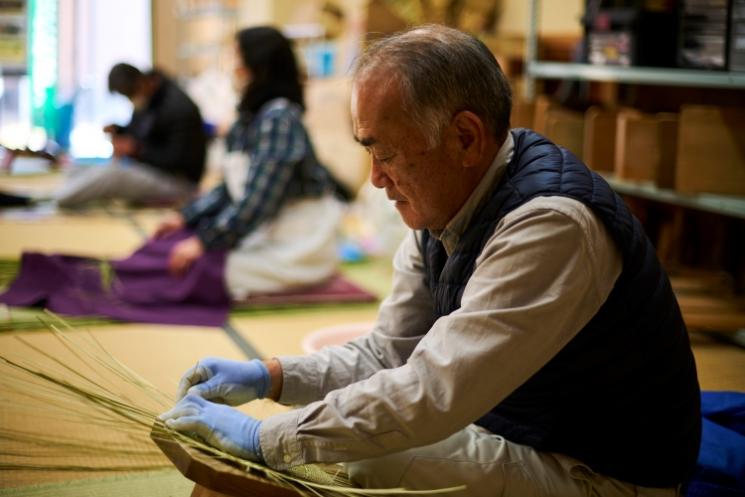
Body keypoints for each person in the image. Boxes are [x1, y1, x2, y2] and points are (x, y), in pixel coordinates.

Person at [160, 25, 701, 497]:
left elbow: (428, 394)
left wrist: (266, 438)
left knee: (367, 453)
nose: (375, 177)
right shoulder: (447, 205)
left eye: (386, 153)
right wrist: (270, 376)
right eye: (368, 150)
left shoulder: (550, 226)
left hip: (603, 475)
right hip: (522, 430)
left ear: (464, 137)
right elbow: (388, 354)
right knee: (356, 433)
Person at [151, 26, 344, 298]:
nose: (232, 68)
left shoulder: (279, 118)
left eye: (237, 59)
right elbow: (231, 187)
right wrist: (185, 217)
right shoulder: (250, 117)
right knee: (170, 247)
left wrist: (205, 242)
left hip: (297, 244)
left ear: (258, 67)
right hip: (267, 231)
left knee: (193, 267)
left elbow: (257, 201)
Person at [55, 63, 206, 207]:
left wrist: (137, 150)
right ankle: (56, 194)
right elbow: (142, 133)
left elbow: (177, 161)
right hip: (151, 169)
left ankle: (59, 200)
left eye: (128, 95)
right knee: (79, 167)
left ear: (141, 83)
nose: (129, 100)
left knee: (113, 175)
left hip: (179, 183)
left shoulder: (178, 107)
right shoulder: (149, 98)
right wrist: (119, 131)